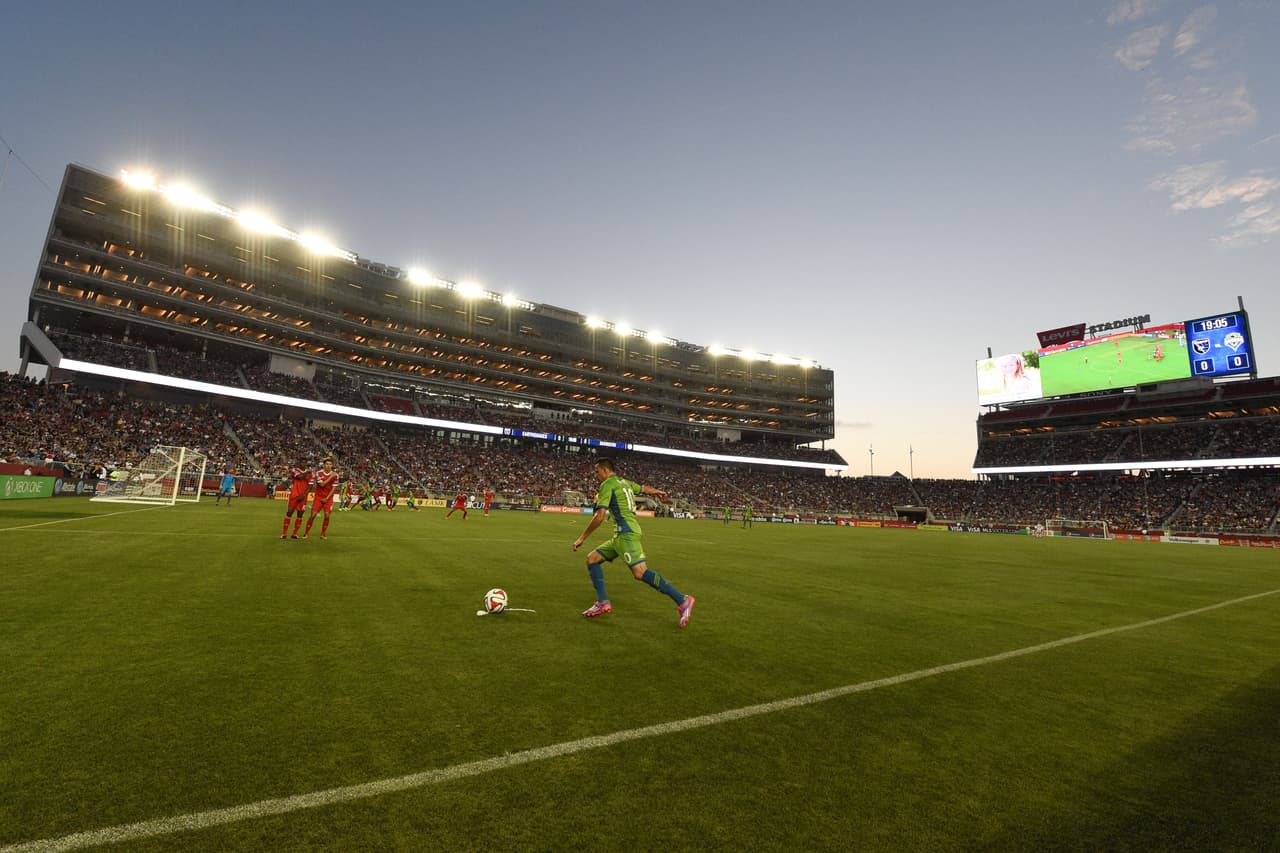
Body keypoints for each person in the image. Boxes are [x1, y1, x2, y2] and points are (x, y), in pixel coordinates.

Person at [572, 457, 694, 628]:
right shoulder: (625, 482)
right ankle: (602, 602)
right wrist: (657, 491)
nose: (596, 475)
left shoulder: (607, 485)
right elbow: (642, 488)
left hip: (626, 533)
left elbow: (600, 516)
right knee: (592, 559)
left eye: (597, 471)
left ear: (605, 470)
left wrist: (582, 538)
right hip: (619, 536)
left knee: (640, 572)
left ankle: (682, 600)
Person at [302, 459, 339, 540]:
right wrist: (330, 477)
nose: (328, 466)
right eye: (327, 464)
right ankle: (306, 533)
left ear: (332, 465)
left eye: (330, 464)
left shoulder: (336, 475)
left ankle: (323, 534)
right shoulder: (318, 473)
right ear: (323, 465)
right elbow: (322, 484)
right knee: (313, 515)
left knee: (327, 516)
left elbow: (334, 488)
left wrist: (327, 498)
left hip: (328, 498)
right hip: (318, 498)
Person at [280, 463, 312, 539]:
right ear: (299, 463)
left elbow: (310, 486)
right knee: (289, 512)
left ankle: (294, 534)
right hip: (294, 495)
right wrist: (307, 472)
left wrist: (303, 495)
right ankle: (284, 533)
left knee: (300, 515)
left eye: (305, 462)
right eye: (302, 462)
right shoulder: (295, 470)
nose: (303, 464)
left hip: (303, 497)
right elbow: (299, 477)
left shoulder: (311, 474)